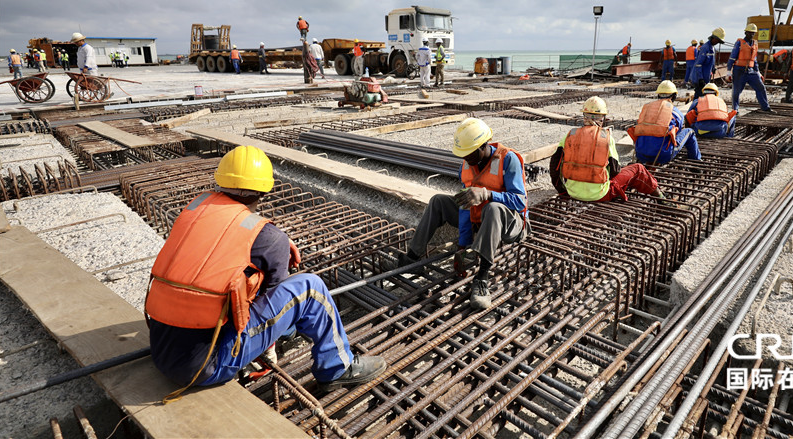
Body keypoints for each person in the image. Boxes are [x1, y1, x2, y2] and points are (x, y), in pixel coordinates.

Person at [144, 146, 386, 397]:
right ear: (264, 189)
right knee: (310, 288)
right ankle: (338, 367)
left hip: (161, 349)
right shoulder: (269, 237)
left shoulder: (196, 211)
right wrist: (276, 241)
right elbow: (274, 300)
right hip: (207, 366)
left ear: (221, 180)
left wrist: (272, 239)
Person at [401, 118, 528, 310]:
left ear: (484, 146)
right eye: (463, 154)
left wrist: (487, 194)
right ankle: (413, 257)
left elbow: (520, 201)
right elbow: (464, 205)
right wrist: (463, 245)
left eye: (469, 154)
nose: (466, 158)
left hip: (511, 224)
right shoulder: (467, 165)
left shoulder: (508, 160)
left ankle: (482, 279)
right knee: (438, 201)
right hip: (480, 219)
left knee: (492, 208)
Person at [550, 96, 664, 202]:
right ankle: (661, 198)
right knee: (638, 169)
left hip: (573, 193)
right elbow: (615, 170)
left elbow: (554, 167)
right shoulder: (606, 138)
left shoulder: (569, 135)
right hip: (601, 195)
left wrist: (563, 191)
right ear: (603, 118)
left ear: (584, 116)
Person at [628, 80, 701, 164]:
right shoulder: (675, 112)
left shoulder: (646, 109)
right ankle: (695, 159)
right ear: (674, 96)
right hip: (663, 155)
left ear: (658, 95)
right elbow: (678, 131)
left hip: (640, 154)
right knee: (689, 132)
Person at [725, 24, 774, 113]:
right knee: (736, 91)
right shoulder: (739, 43)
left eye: (753, 33)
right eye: (750, 33)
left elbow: (754, 60)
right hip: (739, 70)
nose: (751, 34)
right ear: (745, 32)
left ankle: (765, 108)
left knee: (761, 87)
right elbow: (732, 57)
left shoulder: (755, 43)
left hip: (751, 71)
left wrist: (758, 72)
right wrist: (728, 71)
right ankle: (735, 110)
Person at [690, 28, 725, 99]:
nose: (718, 42)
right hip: (699, 78)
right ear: (714, 38)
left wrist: (713, 68)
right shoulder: (705, 48)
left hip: (706, 77)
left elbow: (711, 61)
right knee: (699, 97)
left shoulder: (712, 48)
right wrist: (700, 79)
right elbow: (698, 64)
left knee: (704, 97)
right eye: (718, 40)